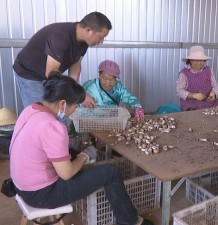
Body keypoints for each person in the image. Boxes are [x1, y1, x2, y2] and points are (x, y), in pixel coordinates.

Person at [9, 72, 153, 225]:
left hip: (19, 184)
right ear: (63, 104)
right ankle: (131, 221)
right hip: (41, 195)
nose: (75, 109)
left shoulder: (31, 110)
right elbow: (67, 174)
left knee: (75, 156)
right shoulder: (53, 126)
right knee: (110, 172)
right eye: (76, 105)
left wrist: (77, 154)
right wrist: (85, 155)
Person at [13, 11, 112, 109]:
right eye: (101, 37)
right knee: (41, 113)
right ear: (88, 30)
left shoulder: (84, 42)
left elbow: (75, 68)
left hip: (50, 76)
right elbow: (51, 74)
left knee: (60, 112)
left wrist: (77, 94)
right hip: (30, 73)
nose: (101, 41)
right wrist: (81, 95)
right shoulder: (61, 36)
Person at [176, 45, 218, 111]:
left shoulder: (209, 70)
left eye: (201, 60)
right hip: (191, 105)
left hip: (209, 103)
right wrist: (194, 95)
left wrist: (213, 93)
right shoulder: (184, 73)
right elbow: (179, 91)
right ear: (190, 60)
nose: (199, 63)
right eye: (196, 60)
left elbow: (216, 86)